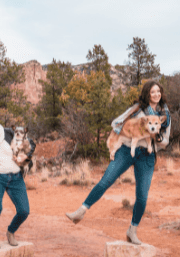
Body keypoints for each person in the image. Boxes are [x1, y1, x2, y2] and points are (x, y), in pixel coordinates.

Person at [66, 80, 171, 245]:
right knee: (106, 180)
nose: (156, 94)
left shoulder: (165, 114)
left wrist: (153, 136)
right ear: (147, 94)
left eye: (158, 91)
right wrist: (126, 135)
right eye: (152, 92)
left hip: (147, 155)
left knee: (142, 196)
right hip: (126, 149)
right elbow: (116, 123)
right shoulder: (137, 109)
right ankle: (81, 210)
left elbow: (165, 141)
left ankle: (132, 230)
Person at [0, 108, 36, 249]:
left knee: (24, 211)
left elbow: (32, 144)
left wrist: (25, 157)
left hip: (15, 177)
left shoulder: (11, 133)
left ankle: (11, 231)